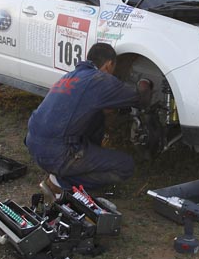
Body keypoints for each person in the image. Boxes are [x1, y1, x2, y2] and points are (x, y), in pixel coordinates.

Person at [25, 42, 152, 204]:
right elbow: (141, 98)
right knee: (125, 166)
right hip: (57, 153)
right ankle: (62, 183)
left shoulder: (71, 76)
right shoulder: (100, 80)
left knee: (97, 118)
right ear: (109, 65)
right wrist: (146, 82)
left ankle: (64, 171)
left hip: (34, 144)